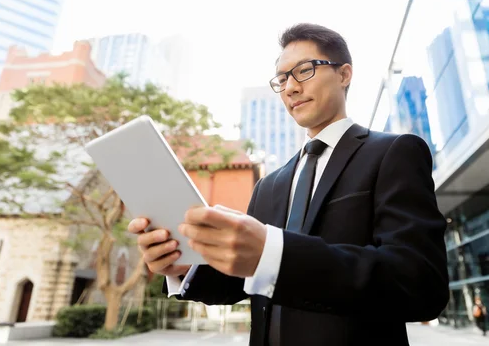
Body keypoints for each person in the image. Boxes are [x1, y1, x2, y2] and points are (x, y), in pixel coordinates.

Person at [128, 23, 450, 345]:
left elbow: (419, 283)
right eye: (282, 80)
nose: (290, 88)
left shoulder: (393, 152)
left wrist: (275, 254)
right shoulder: (268, 184)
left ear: (344, 74)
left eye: (304, 71)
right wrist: (187, 266)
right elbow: (241, 283)